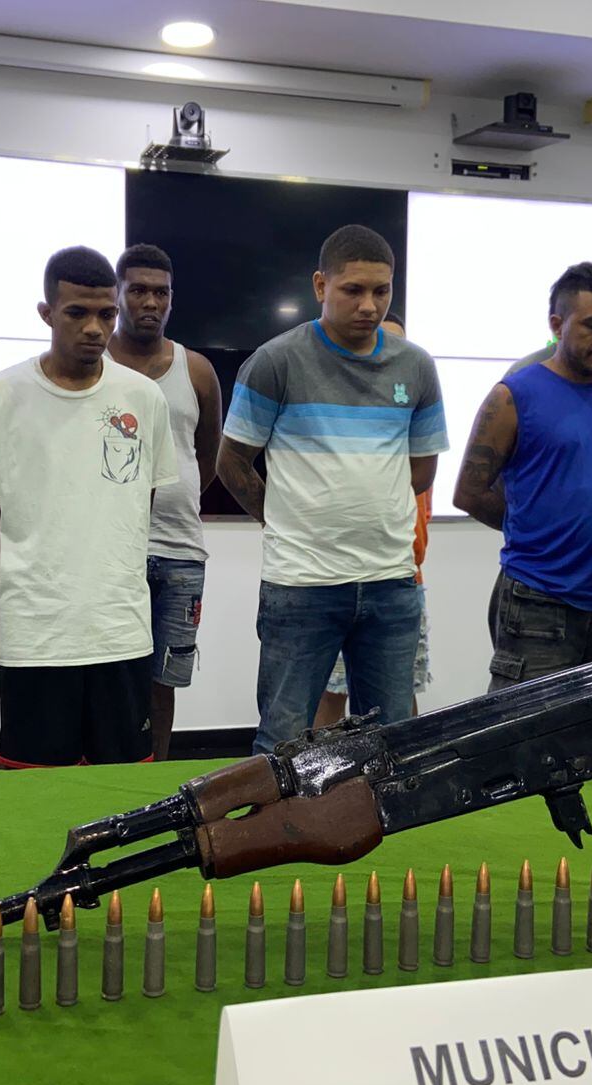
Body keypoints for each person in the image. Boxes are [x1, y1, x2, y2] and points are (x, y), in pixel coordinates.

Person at [219, 226, 447, 754]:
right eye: (353, 290)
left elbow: (422, 471)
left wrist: (371, 510)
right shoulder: (276, 361)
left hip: (391, 581)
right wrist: (281, 517)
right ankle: (278, 835)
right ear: (321, 285)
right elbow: (231, 463)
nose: (369, 305)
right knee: (283, 737)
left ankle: (379, 835)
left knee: (390, 740)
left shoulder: (415, 366)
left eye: (382, 291)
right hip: (300, 584)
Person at [0, 246, 178, 768]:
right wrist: (25, 588)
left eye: (106, 314)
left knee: (122, 783)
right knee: (33, 785)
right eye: (77, 313)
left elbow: (138, 502)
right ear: (47, 313)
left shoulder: (143, 398)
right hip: (36, 631)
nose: (95, 328)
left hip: (119, 628)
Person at [453, 260, 592, 689]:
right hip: (539, 601)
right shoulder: (514, 395)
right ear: (557, 324)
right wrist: (534, 530)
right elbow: (469, 493)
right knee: (526, 742)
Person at [105, 243, 221, 760]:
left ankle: (156, 774)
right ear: (118, 294)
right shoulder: (94, 364)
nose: (149, 302)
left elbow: (208, 458)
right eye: (138, 291)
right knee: (109, 672)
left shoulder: (197, 372)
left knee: (164, 678)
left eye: (161, 292)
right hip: (109, 548)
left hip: (179, 549)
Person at [313, 311, 431, 727]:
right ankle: (321, 786)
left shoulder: (418, 421)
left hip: (400, 579)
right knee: (329, 694)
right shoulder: (334, 426)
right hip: (333, 577)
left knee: (401, 694)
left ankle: (402, 779)